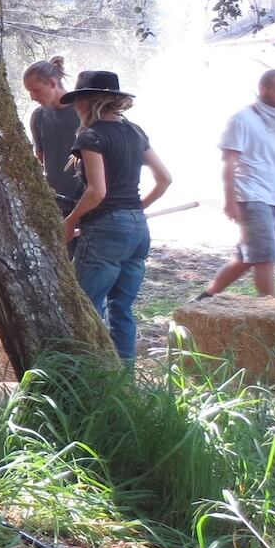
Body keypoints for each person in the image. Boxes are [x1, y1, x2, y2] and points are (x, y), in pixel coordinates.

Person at [60, 71, 172, 364]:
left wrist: (70, 221)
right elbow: (164, 179)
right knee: (122, 309)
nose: (75, 107)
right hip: (138, 229)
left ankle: (93, 375)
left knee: (86, 306)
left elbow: (97, 192)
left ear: (86, 101)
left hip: (105, 230)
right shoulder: (135, 132)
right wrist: (135, 210)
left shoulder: (91, 135)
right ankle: (125, 381)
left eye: (77, 100)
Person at [197, 70, 275, 299]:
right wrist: (230, 201)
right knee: (264, 256)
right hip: (251, 195)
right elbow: (228, 162)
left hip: (270, 196)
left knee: (246, 257)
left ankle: (205, 298)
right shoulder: (242, 119)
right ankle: (270, 314)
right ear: (263, 89)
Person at [22, 56, 85, 216]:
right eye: (29, 92)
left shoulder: (84, 112)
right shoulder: (38, 116)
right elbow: (40, 159)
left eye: (36, 90)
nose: (32, 97)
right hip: (54, 205)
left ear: (51, 83)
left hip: (85, 204)